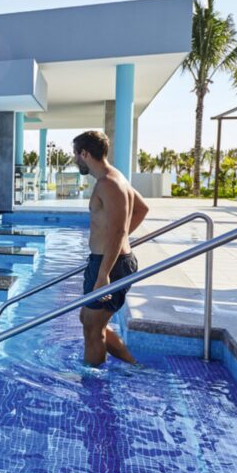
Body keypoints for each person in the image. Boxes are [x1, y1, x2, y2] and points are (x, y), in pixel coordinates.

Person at [73, 130, 149, 367]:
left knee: (93, 331)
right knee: (89, 320)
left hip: (110, 265)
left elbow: (118, 231)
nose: (75, 160)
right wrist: (120, 241)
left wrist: (104, 273)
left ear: (84, 153)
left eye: (75, 154)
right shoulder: (115, 178)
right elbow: (141, 209)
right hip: (107, 260)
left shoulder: (109, 183)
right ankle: (134, 365)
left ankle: (91, 387)